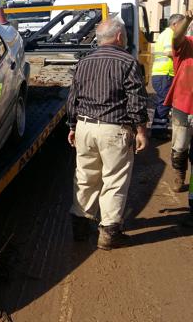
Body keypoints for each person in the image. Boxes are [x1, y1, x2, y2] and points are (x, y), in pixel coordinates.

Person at [67, 19, 149, 250]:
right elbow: (136, 100)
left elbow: (73, 98)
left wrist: (72, 126)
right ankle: (109, 232)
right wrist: (141, 130)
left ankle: (81, 227)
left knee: (85, 176)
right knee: (113, 180)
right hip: (114, 129)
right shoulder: (128, 62)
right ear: (119, 37)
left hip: (85, 127)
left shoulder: (84, 62)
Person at [164, 10, 193, 226]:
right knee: (180, 147)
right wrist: (188, 19)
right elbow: (176, 37)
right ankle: (178, 174)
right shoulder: (186, 44)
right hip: (183, 106)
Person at [151, 14, 185, 138]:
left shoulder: (165, 33)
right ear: (175, 24)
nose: (184, 28)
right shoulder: (170, 34)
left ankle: (159, 129)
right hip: (164, 74)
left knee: (163, 102)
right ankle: (159, 132)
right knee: (164, 103)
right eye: (182, 25)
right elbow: (168, 51)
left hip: (162, 74)